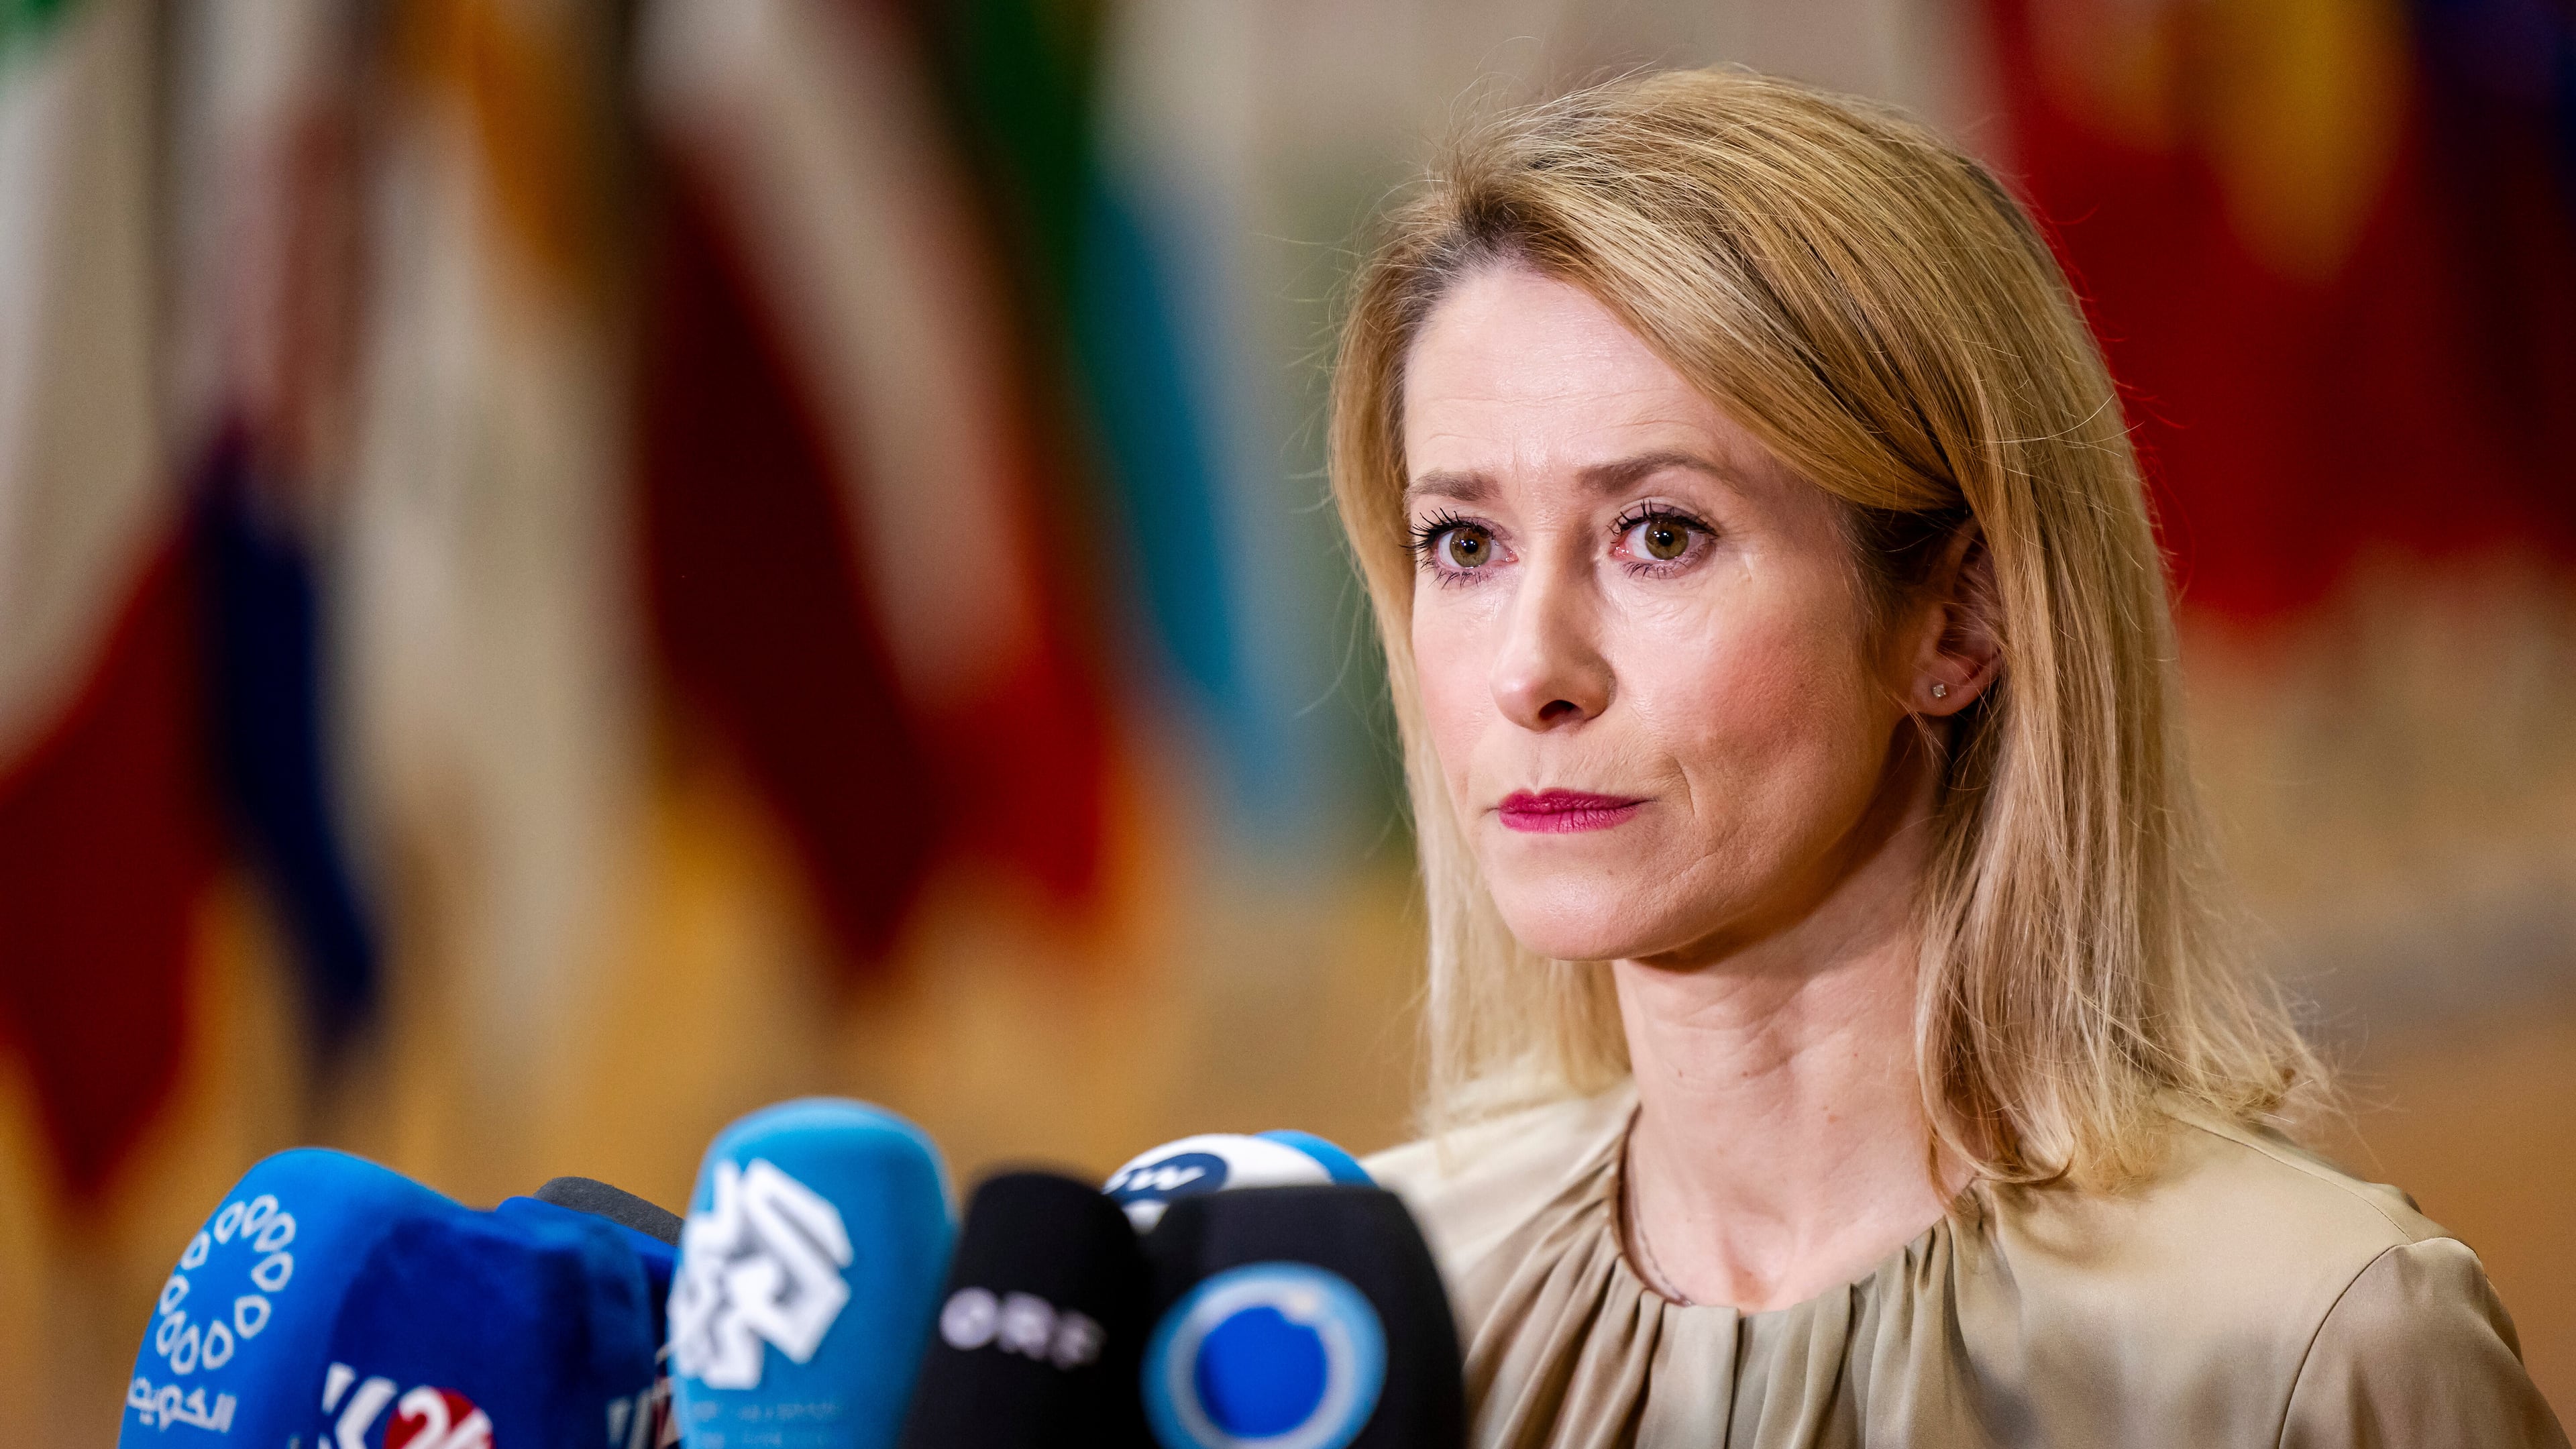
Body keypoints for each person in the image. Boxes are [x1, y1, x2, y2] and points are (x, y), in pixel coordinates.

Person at [1337, 68, 2568, 1447]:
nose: (1529, 670)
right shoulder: (1355, 1322)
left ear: (1958, 614)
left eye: (1660, 534)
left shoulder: (2309, 1344)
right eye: (1465, 544)